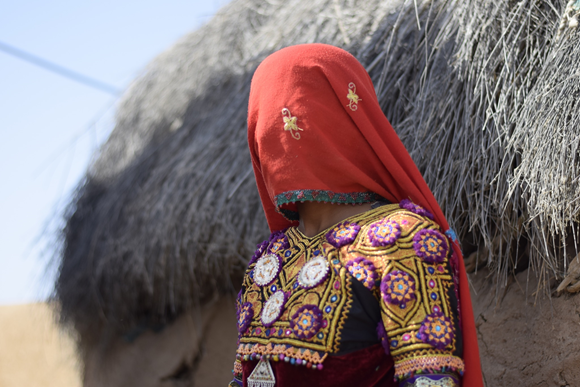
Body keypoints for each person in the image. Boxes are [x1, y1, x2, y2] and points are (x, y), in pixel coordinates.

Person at [229, 43, 483, 387]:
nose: (269, 136)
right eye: (262, 123)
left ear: (334, 120)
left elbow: (430, 378)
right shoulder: (268, 262)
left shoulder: (401, 240)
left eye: (287, 116)